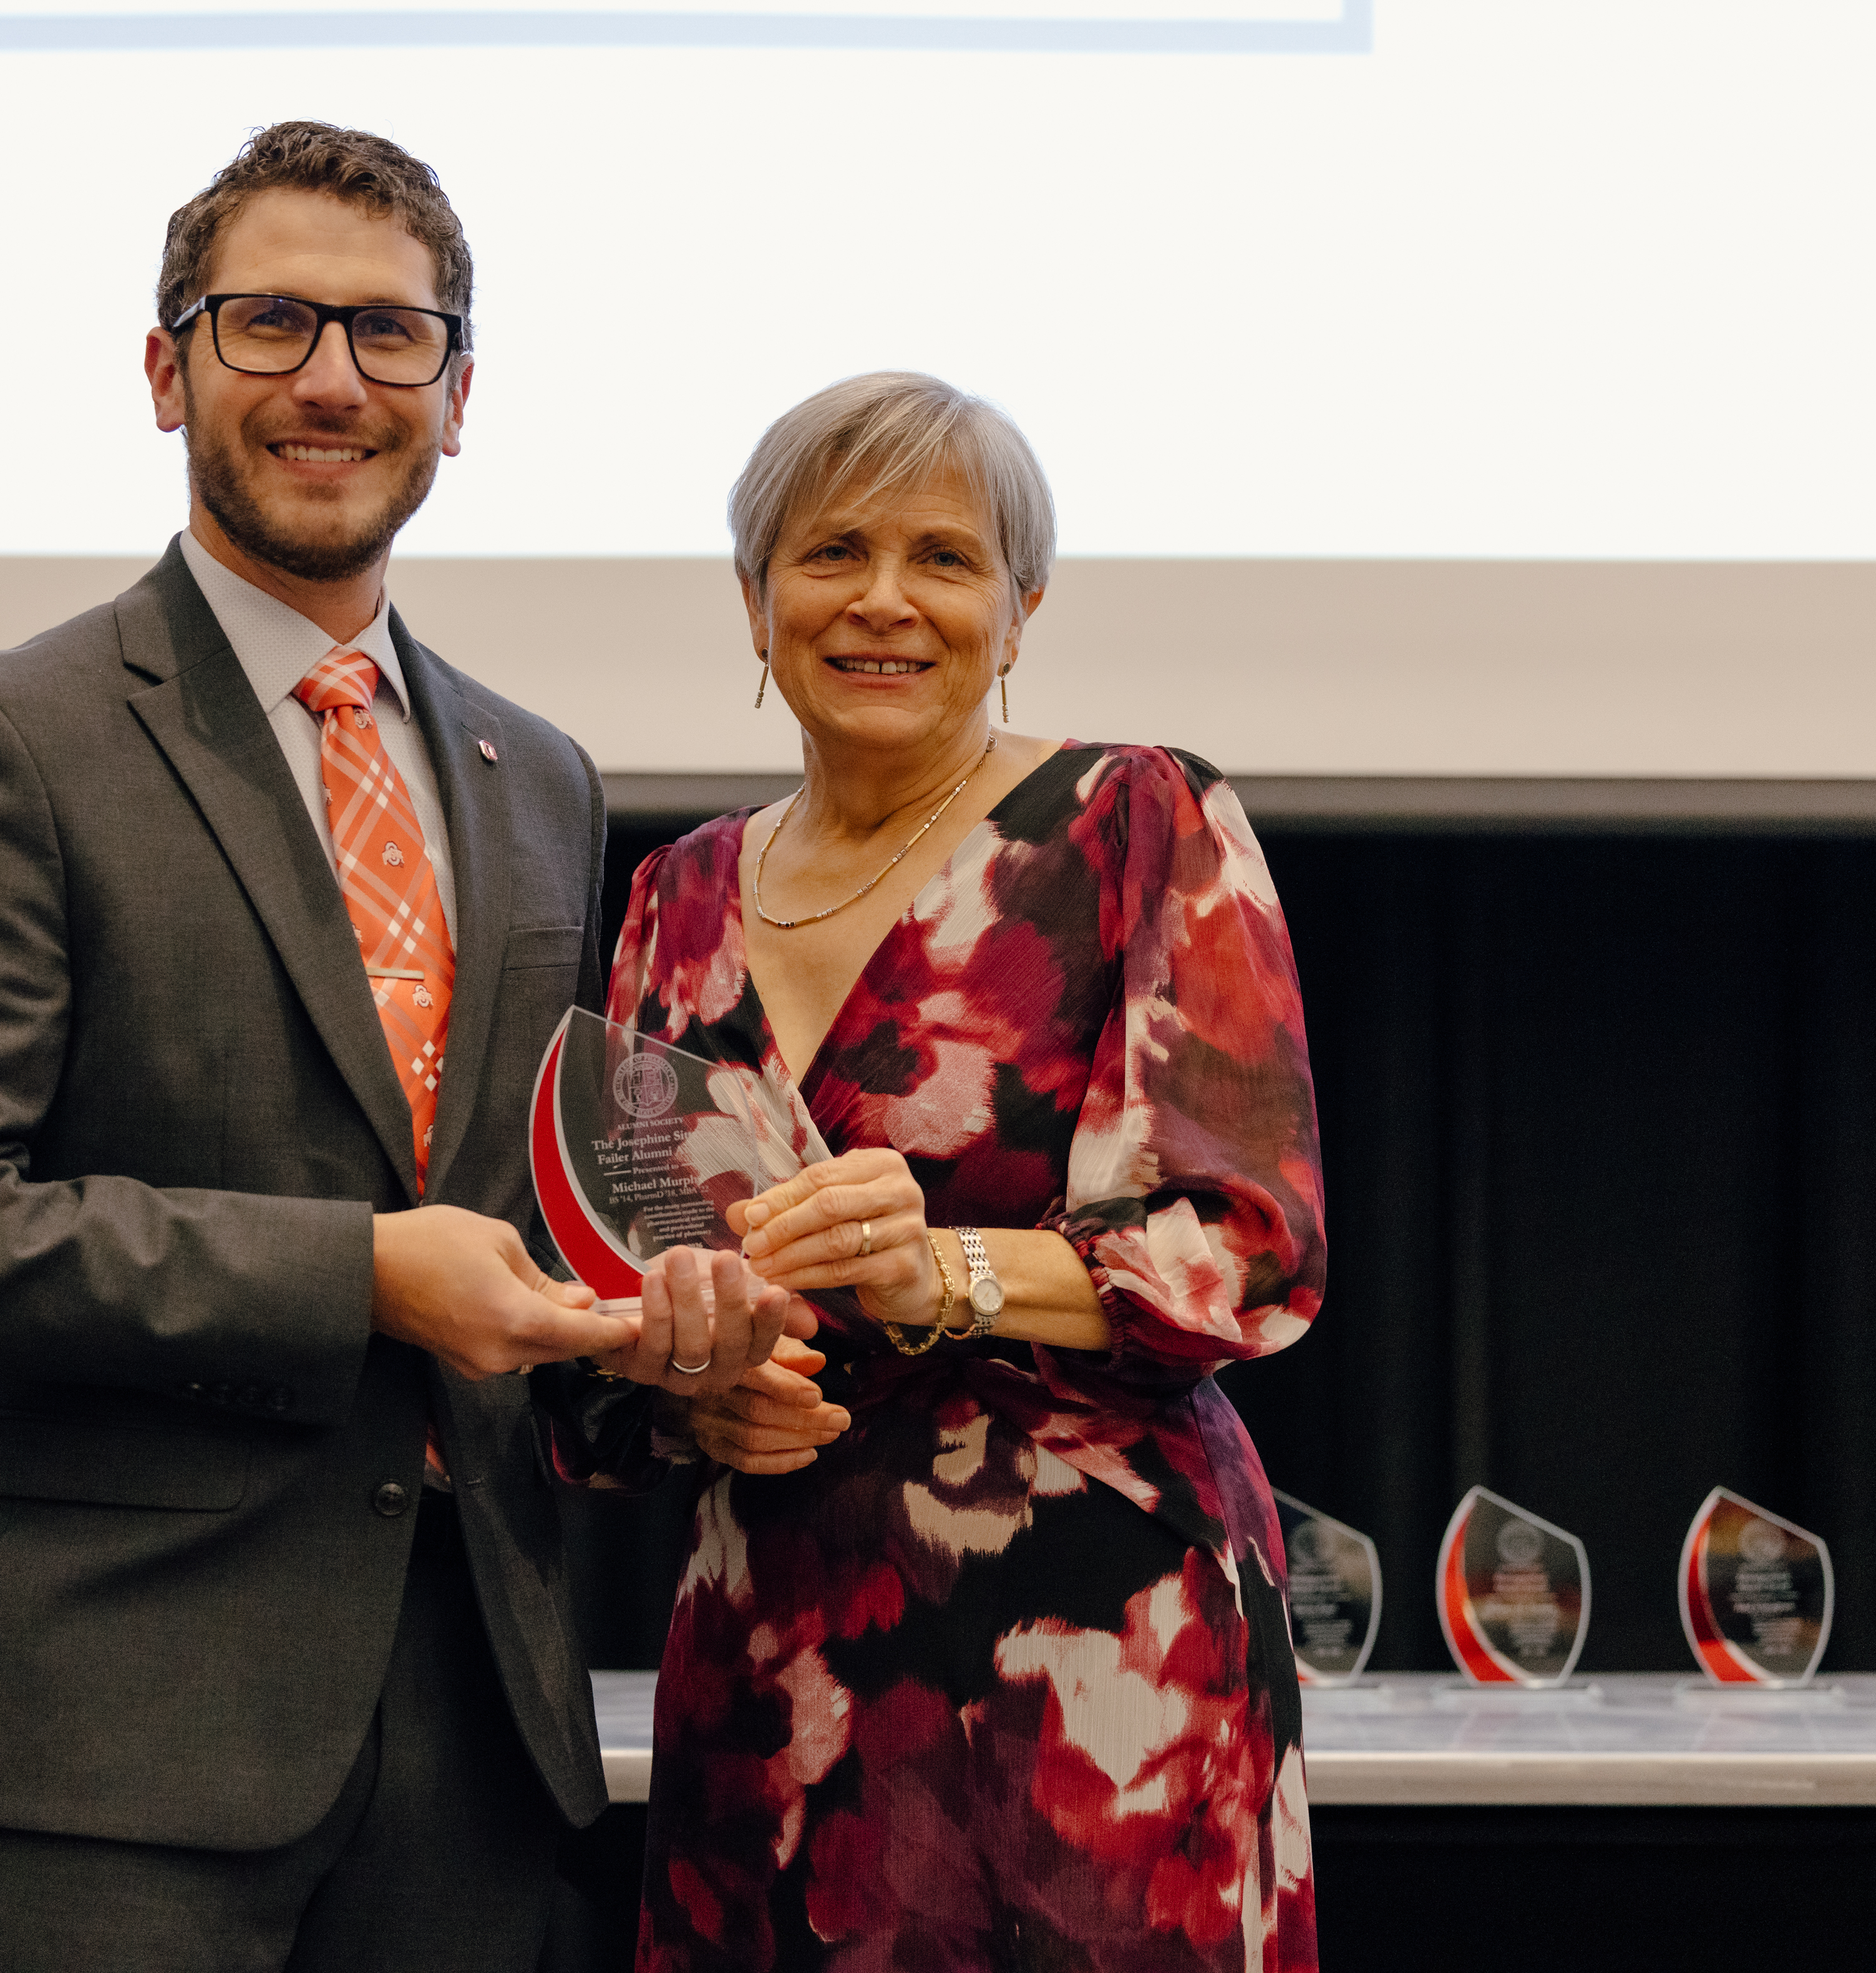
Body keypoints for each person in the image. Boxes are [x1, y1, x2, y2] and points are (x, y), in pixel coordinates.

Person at [0, 124, 783, 1972]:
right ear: (166, 366)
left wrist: (666, 1357)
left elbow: (517, 1241)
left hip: (473, 1780)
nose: (331, 378)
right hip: (97, 1781)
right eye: (269, 324)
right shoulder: (10, 738)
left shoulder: (535, 775)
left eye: (388, 336)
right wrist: (361, 1279)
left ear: (456, 395)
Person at [546, 373, 1327, 1971]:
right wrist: (693, 1387)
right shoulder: (673, 897)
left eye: (944, 559)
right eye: (831, 552)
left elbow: (1249, 1247)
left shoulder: (1136, 816)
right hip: (772, 1647)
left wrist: (948, 1271)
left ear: (1019, 609)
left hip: (1097, 1655)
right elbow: (604, 1294)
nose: (883, 601)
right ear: (756, 601)